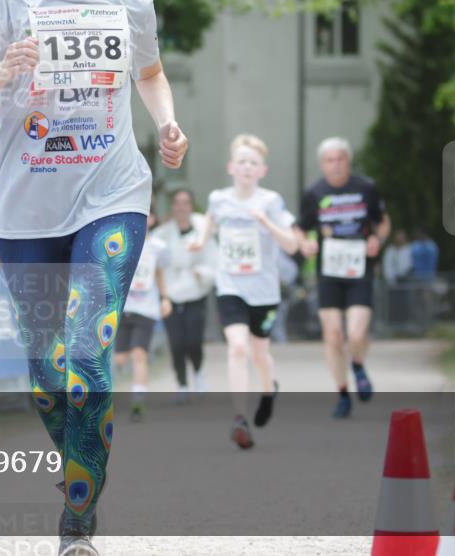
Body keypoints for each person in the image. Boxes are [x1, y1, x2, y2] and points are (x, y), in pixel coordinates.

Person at [0, 0, 188, 552]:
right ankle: (77, 466)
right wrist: (2, 71)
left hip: (113, 193)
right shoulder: (8, 2)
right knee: (48, 372)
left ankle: (77, 517)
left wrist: (166, 120)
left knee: (88, 351)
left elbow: (151, 73)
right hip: (28, 212)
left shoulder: (132, 1)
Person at [190, 135, 296, 450]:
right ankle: (239, 417)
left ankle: (268, 390)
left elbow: (291, 244)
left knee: (261, 355)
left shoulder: (271, 201)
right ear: (231, 167)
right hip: (231, 286)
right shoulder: (219, 198)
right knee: (238, 348)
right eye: (242, 161)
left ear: (262, 170)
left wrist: (266, 223)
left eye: (253, 162)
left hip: (263, 291)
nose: (247, 167)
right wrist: (200, 240)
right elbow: (210, 222)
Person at [294, 137, 390, 419]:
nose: (335, 165)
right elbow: (301, 228)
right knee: (333, 335)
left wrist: (377, 239)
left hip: (360, 269)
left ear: (348, 161)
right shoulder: (314, 192)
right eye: (330, 160)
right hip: (329, 272)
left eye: (340, 159)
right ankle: (342, 392)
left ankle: (358, 364)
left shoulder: (365, 188)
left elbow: (383, 222)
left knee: (357, 333)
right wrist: (306, 244)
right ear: (322, 165)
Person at [152, 188, 216, 401]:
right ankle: (181, 383)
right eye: (177, 203)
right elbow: (155, 265)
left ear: (191, 205)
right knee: (176, 342)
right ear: (173, 207)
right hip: (171, 294)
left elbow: (213, 261)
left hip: (196, 292)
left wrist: (203, 274)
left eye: (185, 203)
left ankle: (198, 373)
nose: (181, 207)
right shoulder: (162, 234)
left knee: (193, 341)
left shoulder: (202, 232)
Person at [114, 210, 170, 421]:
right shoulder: (120, 243)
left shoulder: (158, 247)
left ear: (153, 219)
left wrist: (165, 298)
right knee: (120, 359)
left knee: (139, 354)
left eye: (148, 215)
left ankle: (138, 402)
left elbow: (160, 274)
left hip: (146, 309)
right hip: (122, 309)